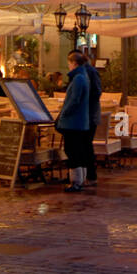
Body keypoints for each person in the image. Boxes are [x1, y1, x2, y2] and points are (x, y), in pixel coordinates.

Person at [55, 58, 93, 192]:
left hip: (73, 122)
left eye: (69, 64)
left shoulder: (78, 79)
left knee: (72, 151)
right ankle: (80, 179)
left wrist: (64, 114)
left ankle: (76, 181)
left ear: (74, 63)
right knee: (79, 150)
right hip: (80, 122)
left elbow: (74, 100)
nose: (69, 67)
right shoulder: (84, 77)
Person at [70, 50, 103, 185]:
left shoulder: (88, 73)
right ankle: (84, 175)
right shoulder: (82, 73)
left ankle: (89, 175)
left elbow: (96, 92)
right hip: (86, 115)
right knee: (83, 145)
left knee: (85, 145)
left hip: (88, 115)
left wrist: (85, 105)